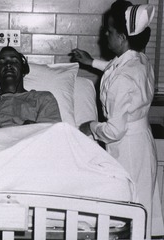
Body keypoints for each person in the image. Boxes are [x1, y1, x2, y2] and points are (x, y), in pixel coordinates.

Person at [71, 1, 164, 239]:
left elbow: (113, 131)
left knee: (129, 211)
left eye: (109, 31)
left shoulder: (124, 79)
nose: (105, 34)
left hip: (128, 149)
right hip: (142, 141)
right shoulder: (140, 60)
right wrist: (91, 62)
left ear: (122, 37)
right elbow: (116, 67)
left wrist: (90, 127)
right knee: (140, 205)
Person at [0, 46, 62, 133]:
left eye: (14, 61)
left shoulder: (43, 99)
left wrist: (30, 129)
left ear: (24, 69)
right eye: (2, 62)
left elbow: (51, 137)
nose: (8, 64)